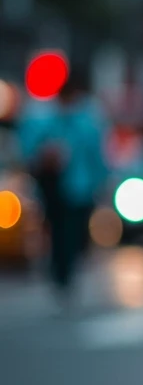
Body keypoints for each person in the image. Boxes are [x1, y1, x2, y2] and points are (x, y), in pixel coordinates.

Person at [18, 65, 108, 304]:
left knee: (75, 233)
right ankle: (61, 277)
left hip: (80, 187)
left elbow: (96, 154)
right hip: (54, 186)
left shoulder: (88, 118)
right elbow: (29, 148)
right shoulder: (46, 117)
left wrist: (101, 181)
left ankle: (67, 273)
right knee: (58, 232)